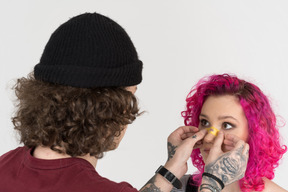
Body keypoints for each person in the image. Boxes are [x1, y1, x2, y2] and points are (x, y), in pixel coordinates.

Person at [0, 13, 248, 192]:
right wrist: (213, 182)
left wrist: (170, 170)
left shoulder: (5, 164)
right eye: (130, 96)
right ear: (109, 107)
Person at [180, 74, 287, 192]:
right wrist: (171, 168)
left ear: (253, 135)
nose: (209, 138)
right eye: (205, 122)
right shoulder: (177, 185)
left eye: (226, 125)